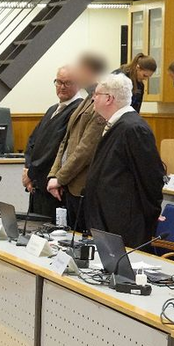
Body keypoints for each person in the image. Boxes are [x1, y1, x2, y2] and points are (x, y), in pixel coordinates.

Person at [81, 72, 165, 248]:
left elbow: (151, 177)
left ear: (109, 98)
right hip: (108, 217)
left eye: (96, 94)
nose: (93, 98)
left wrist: (151, 213)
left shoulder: (133, 128)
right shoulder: (117, 124)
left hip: (124, 222)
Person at [46, 53, 108, 228]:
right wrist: (54, 175)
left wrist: (60, 178)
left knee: (81, 236)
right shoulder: (88, 98)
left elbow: (85, 150)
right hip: (69, 184)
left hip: (82, 185)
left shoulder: (100, 101)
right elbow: (65, 142)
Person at [23, 65, 82, 218]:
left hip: (54, 188)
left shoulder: (77, 110)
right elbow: (32, 141)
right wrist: (27, 169)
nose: (62, 87)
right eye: (59, 82)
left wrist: (31, 173)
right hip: (37, 186)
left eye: (67, 83)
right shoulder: (52, 109)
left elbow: (54, 147)